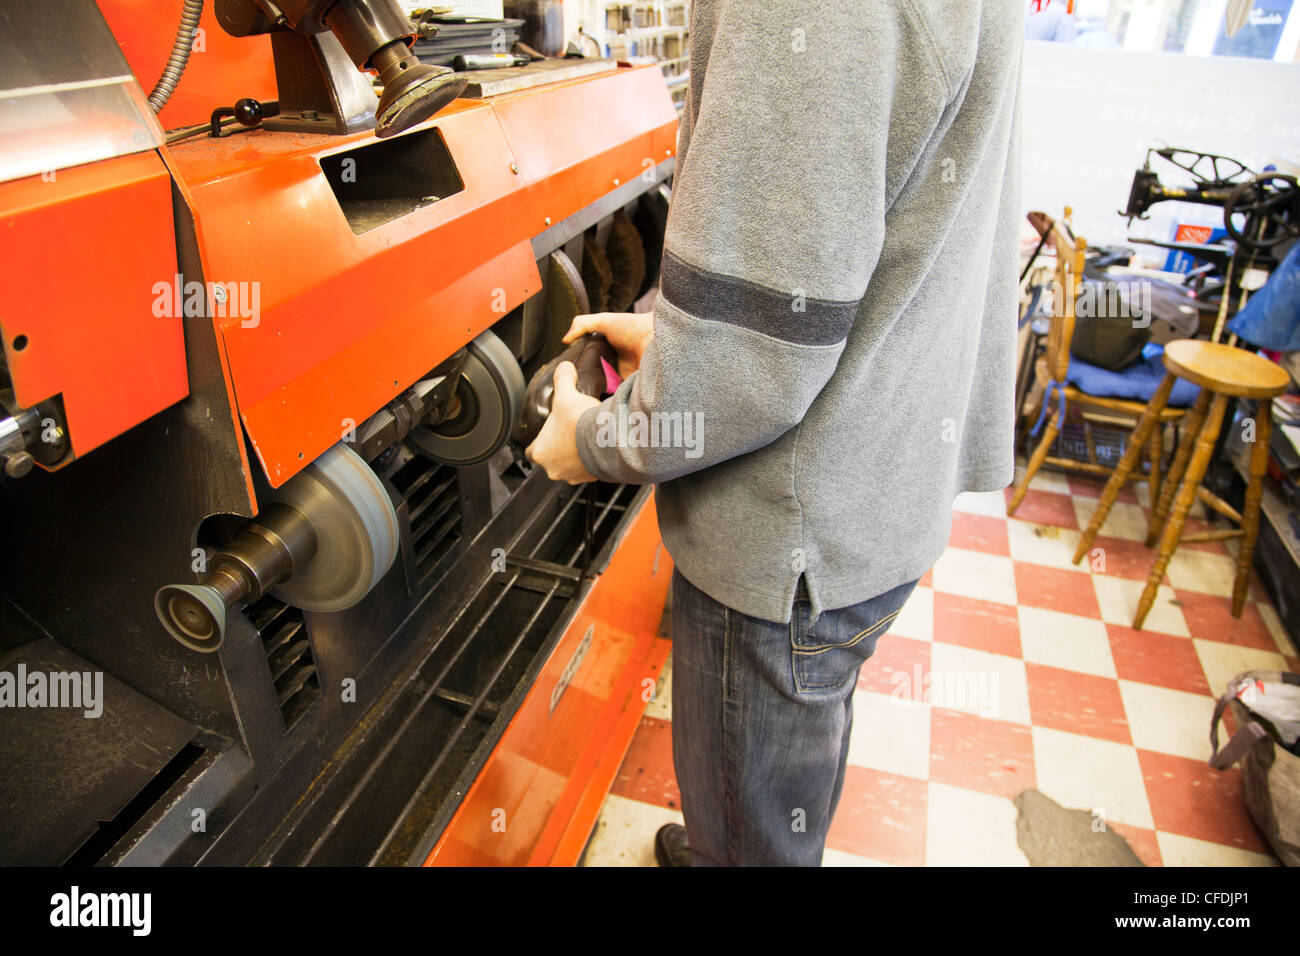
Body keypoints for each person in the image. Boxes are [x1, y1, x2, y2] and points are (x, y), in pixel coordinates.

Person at [526, 0, 1025, 866]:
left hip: (791, 536)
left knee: (761, 800)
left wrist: (598, 440)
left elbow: (751, 370)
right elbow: (874, 214)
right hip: (879, 476)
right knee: (806, 720)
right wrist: (699, 338)